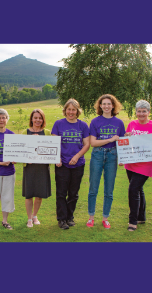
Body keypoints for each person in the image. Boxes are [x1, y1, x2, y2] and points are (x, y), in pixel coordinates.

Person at [124, 100, 152, 231]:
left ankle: (133, 221)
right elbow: (127, 141)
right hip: (131, 163)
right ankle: (141, 217)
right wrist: (126, 136)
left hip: (145, 165)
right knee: (139, 190)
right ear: (136, 112)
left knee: (133, 190)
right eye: (139, 111)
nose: (141, 114)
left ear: (149, 112)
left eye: (144, 111)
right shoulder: (132, 124)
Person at [87, 94, 125, 229]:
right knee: (93, 188)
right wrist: (109, 140)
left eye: (109, 104)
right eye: (104, 104)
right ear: (100, 106)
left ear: (113, 106)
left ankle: (105, 218)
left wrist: (123, 158)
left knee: (109, 189)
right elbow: (93, 142)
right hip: (97, 155)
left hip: (112, 156)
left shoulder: (119, 123)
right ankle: (91, 217)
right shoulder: (95, 122)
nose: (107, 106)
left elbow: (122, 143)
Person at [52, 98, 90, 230]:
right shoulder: (58, 124)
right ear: (65, 110)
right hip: (61, 164)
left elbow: (87, 144)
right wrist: (57, 158)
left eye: (74, 109)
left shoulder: (83, 126)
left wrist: (77, 156)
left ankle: (70, 217)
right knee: (61, 193)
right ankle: (61, 219)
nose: (71, 112)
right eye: (69, 109)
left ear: (77, 111)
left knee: (74, 193)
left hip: (78, 164)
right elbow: (54, 144)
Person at [21, 109, 51, 228]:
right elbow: (21, 151)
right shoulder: (25, 132)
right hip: (29, 167)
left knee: (39, 194)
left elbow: (51, 149)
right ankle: (29, 219)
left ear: (43, 119)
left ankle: (34, 216)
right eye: (35, 118)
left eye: (40, 118)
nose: (38, 120)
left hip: (42, 168)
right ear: (31, 119)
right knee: (29, 194)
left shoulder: (47, 133)